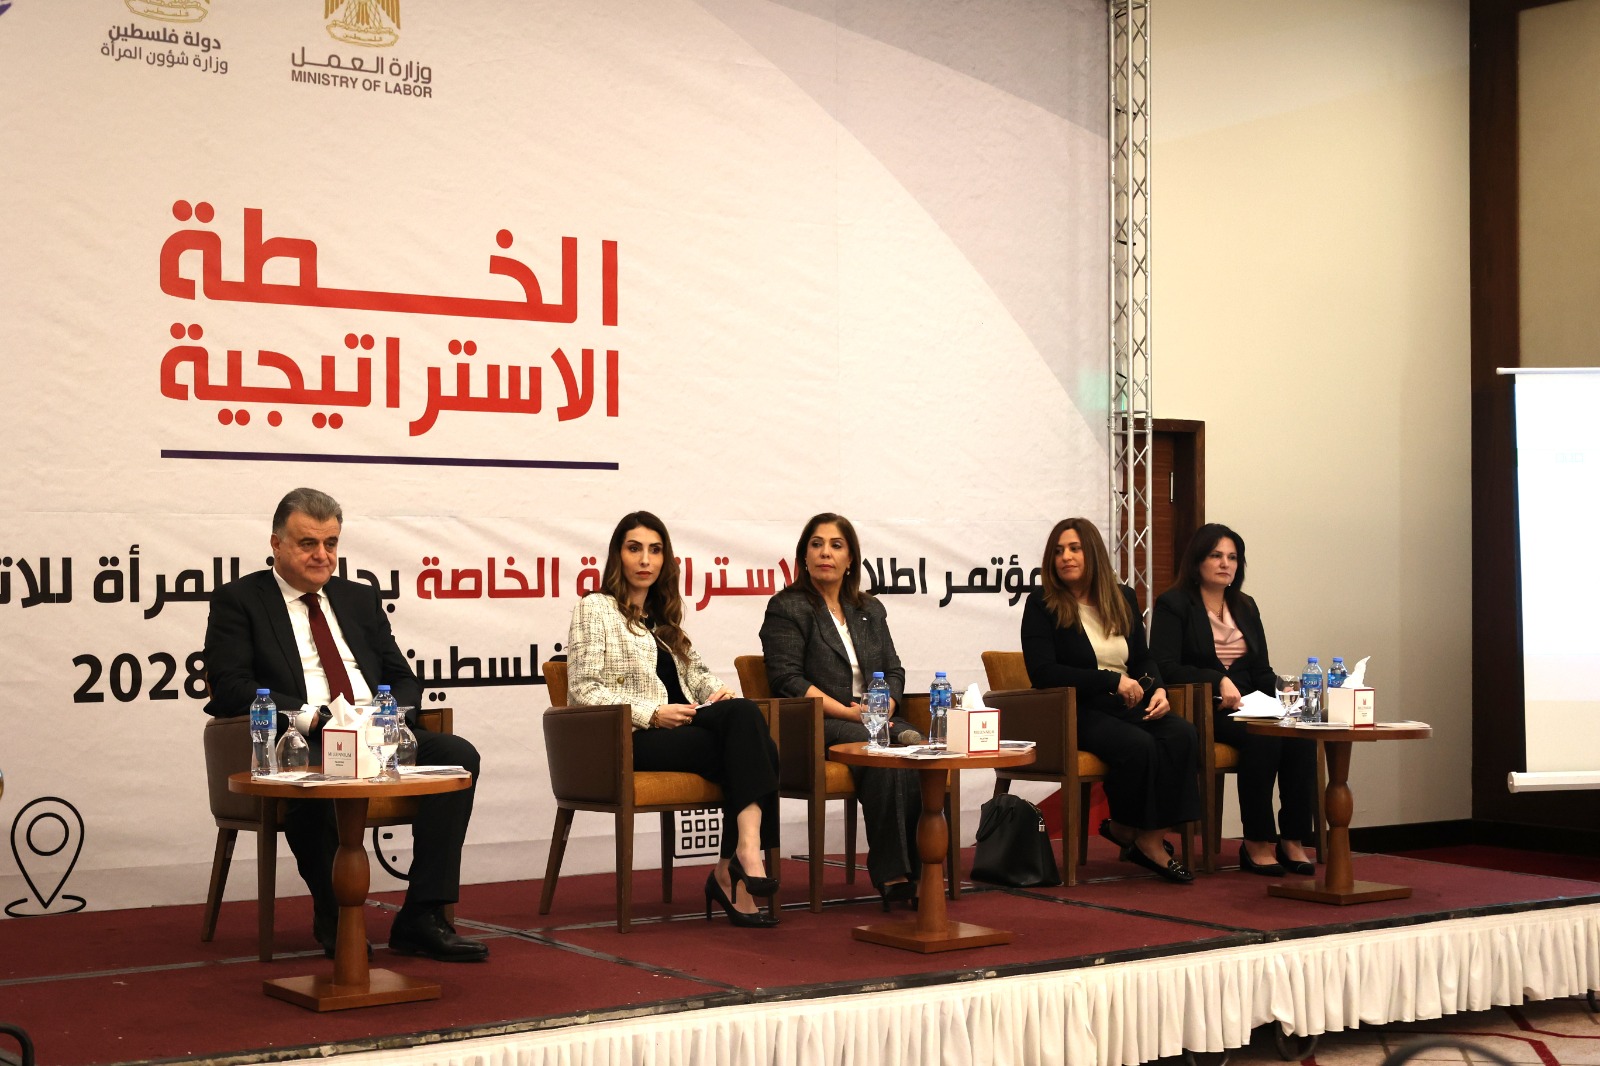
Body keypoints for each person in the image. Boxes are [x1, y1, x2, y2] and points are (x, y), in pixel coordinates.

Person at [203, 488, 487, 961]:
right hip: (304, 736)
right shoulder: (241, 600)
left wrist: (384, 716)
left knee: (458, 756)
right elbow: (231, 686)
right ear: (276, 544)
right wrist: (310, 716)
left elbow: (402, 677)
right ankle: (335, 914)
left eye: (330, 543)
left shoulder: (358, 598)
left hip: (374, 733)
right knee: (320, 773)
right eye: (307, 543)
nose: (322, 555)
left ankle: (423, 916)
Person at [566, 511, 783, 928]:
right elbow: (583, 691)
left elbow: (697, 675)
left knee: (743, 714)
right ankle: (733, 867)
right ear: (617, 556)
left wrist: (718, 693)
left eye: (655, 550)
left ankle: (741, 857)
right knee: (758, 750)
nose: (645, 559)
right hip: (632, 737)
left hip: (685, 725)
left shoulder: (663, 619)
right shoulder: (595, 609)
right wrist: (652, 714)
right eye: (635, 549)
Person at [1020, 517, 1200, 883]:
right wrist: (1111, 680)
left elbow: (1143, 658)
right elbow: (1043, 672)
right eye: (1058, 551)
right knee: (1138, 745)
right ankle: (1136, 836)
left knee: (1181, 734)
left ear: (1093, 553)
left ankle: (1145, 834)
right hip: (1077, 708)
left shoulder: (1122, 597)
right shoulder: (1042, 603)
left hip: (1127, 704)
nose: (1065, 557)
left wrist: (1159, 689)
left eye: (1074, 549)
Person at [759, 513, 921, 909]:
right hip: (820, 722)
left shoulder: (870, 609)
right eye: (816, 544)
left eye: (835, 545)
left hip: (875, 718)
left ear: (850, 559)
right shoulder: (787, 607)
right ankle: (897, 875)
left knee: (915, 752)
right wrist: (850, 714)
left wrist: (887, 704)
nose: (825, 553)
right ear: (804, 555)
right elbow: (787, 679)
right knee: (881, 748)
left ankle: (921, 870)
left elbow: (894, 669)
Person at [1150, 523, 1317, 876]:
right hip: (1205, 706)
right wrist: (1217, 679)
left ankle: (1293, 839)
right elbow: (1165, 666)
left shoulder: (1245, 605)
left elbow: (1260, 670)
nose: (1225, 564)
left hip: (1249, 703)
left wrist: (1288, 694)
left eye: (1232, 557)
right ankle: (1256, 841)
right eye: (1216, 555)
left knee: (1299, 734)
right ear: (1197, 560)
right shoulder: (1174, 603)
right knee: (1263, 738)